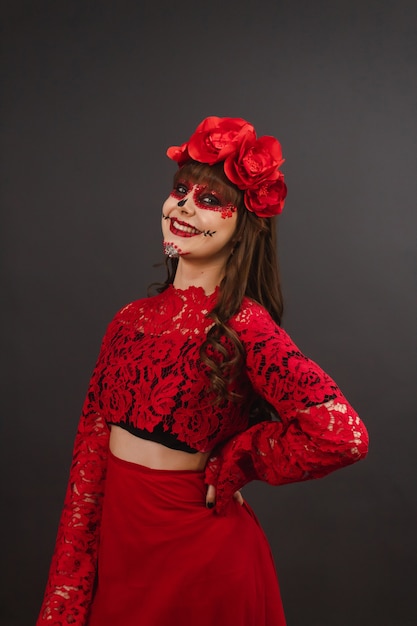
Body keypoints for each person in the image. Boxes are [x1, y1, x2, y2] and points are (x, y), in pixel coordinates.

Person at [36, 116, 369, 626]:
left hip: (203, 567)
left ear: (243, 224)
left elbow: (342, 435)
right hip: (124, 563)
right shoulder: (127, 322)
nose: (186, 205)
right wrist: (64, 603)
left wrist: (244, 455)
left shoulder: (244, 325)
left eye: (211, 199)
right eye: (181, 190)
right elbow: (87, 470)